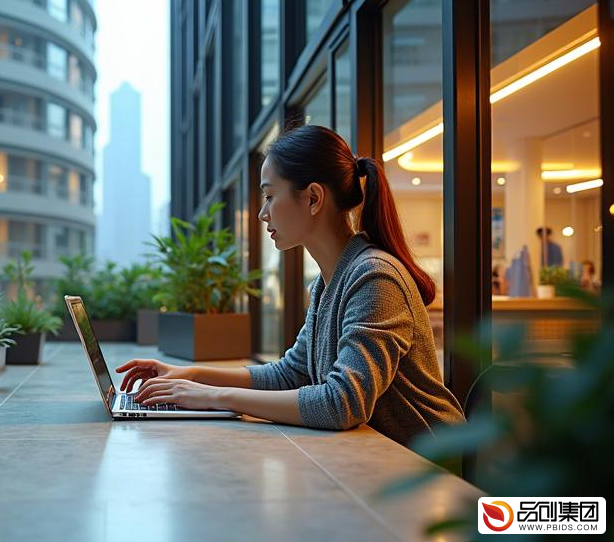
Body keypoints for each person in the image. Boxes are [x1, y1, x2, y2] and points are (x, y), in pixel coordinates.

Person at [117, 125, 465, 445]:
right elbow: (292, 373)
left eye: (269, 196)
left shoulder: (375, 276)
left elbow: (343, 403)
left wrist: (210, 396)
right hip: (384, 456)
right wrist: (191, 375)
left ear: (313, 198)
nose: (262, 213)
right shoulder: (327, 283)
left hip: (432, 466)